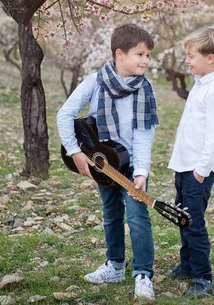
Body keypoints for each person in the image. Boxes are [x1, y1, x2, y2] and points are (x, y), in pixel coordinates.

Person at [57, 23, 158, 301]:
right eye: (139, 54)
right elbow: (64, 114)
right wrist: (75, 150)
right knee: (110, 214)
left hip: (131, 163)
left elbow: (143, 136)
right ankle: (114, 266)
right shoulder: (95, 81)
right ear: (119, 54)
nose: (145, 61)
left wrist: (141, 172)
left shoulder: (145, 90)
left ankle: (143, 275)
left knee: (137, 218)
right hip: (104, 161)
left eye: (148, 55)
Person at [166, 27, 214, 297]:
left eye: (192, 56)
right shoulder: (200, 85)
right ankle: (187, 264)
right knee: (183, 219)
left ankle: (203, 277)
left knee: (193, 223)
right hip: (184, 166)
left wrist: (201, 172)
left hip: (198, 171)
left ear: (210, 58)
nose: (187, 60)